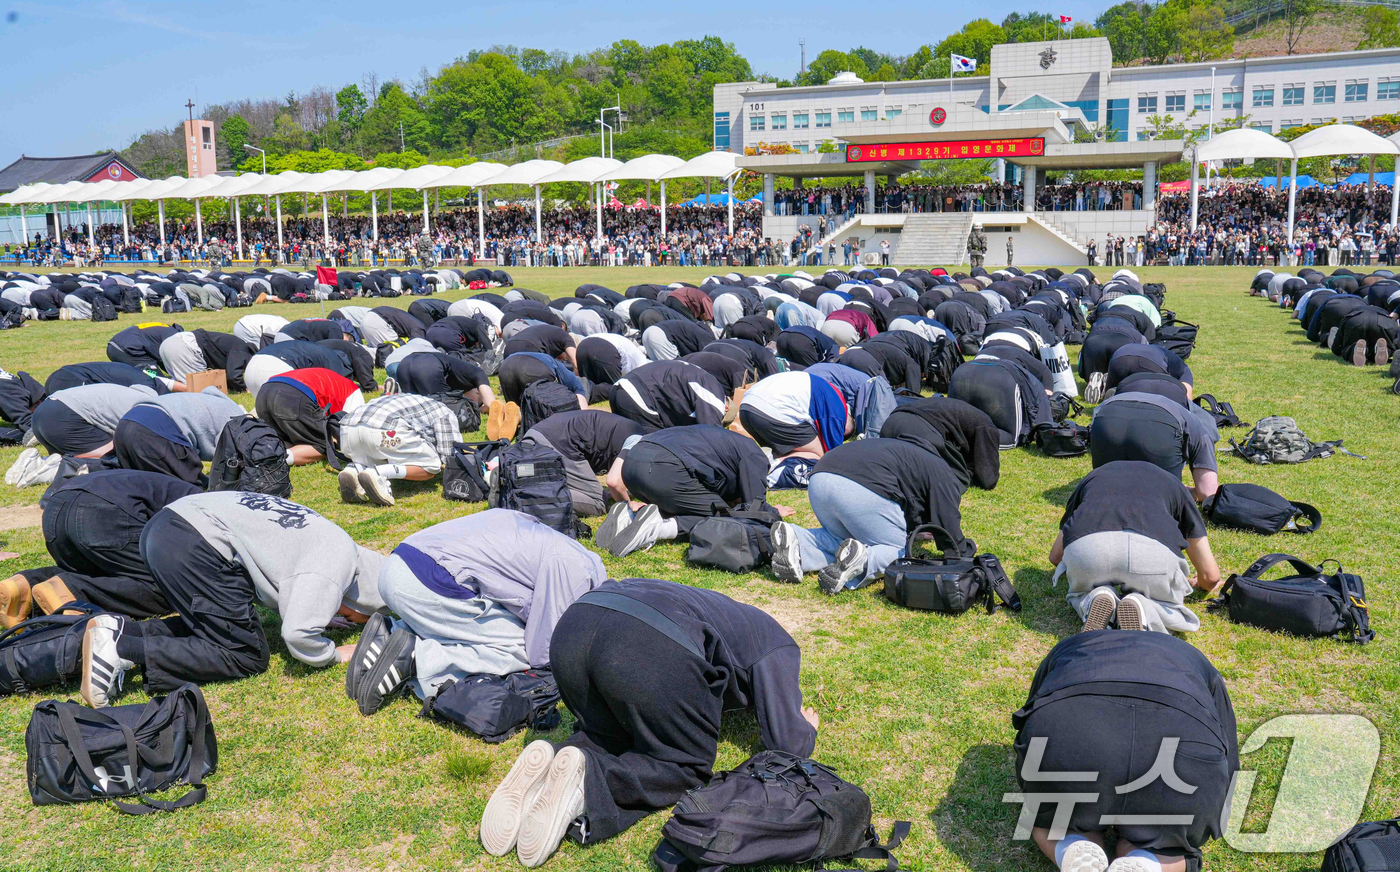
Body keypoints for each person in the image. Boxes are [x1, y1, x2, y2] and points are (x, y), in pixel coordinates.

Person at [478, 578, 818, 866]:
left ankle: (554, 765)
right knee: (685, 764)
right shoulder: (778, 644)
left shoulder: (715, 608)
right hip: (643, 645)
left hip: (575, 627)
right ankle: (587, 785)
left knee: (608, 734)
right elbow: (786, 745)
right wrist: (804, 730)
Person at [74, 491, 385, 707]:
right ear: (357, 599)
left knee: (213, 628)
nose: (345, 621)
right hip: (196, 543)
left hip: (170, 524)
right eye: (354, 618)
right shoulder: (335, 567)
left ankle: (116, 633)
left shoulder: (337, 542)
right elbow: (298, 635)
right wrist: (331, 654)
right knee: (244, 653)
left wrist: (320, 609)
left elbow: (282, 569)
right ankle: (124, 649)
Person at [344, 509, 607, 716]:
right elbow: (542, 652)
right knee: (519, 648)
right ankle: (416, 657)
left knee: (494, 623)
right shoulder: (578, 572)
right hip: (426, 584)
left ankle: (392, 633)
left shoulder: (544, 537)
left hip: (398, 565)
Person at [1015, 631, 1237, 872]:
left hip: (1071, 734)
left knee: (1049, 823)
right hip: (1182, 748)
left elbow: (1031, 714)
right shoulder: (1197, 659)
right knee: (1168, 846)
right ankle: (1148, 860)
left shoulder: (1067, 645)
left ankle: (1071, 844)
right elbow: (1230, 758)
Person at [0, 469, 202, 626]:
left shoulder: (186, 491)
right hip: (103, 514)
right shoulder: (207, 507)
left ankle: (25, 586)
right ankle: (77, 593)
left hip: (56, 508)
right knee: (170, 586)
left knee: (98, 571)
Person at [770, 434, 966, 594]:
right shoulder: (943, 471)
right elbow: (947, 522)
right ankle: (863, 560)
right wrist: (962, 551)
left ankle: (800, 541)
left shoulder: (902, 450)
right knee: (896, 549)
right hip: (859, 489)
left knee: (840, 538)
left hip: (820, 478)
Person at [1049, 460, 1221, 634]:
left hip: (1088, 550)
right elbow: (1210, 576)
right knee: (1170, 607)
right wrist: (1202, 584)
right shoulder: (1174, 483)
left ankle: (1093, 598)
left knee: (1079, 595)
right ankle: (1145, 609)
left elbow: (1056, 556)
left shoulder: (1092, 477)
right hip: (1150, 555)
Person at [599, 424, 780, 558]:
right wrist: (773, 512)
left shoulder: (723, 442)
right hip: (663, 468)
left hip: (633, 464)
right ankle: (656, 528)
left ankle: (629, 518)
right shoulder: (756, 456)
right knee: (722, 518)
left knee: (689, 505)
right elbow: (754, 510)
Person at [1089, 384, 1217, 502]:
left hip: (1106, 417)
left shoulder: (1186, 417)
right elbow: (1207, 493)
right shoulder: (1198, 428)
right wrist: (1186, 491)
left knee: (1106, 486)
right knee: (1162, 495)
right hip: (1160, 427)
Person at [335, 393, 461, 506]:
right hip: (383, 430)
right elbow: (450, 453)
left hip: (347, 428)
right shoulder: (445, 413)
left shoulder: (415, 400)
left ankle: (353, 470)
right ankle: (379, 474)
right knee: (432, 466)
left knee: (376, 453)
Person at [112, 387, 248, 485]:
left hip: (126, 422)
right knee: (188, 494)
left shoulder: (216, 403)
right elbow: (227, 461)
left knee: (142, 486)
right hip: (157, 429)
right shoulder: (238, 421)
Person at [521, 410, 644, 518]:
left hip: (538, 432)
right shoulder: (638, 440)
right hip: (556, 443)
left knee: (596, 492)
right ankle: (529, 498)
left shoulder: (630, 430)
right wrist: (627, 505)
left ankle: (529, 486)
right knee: (598, 503)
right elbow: (614, 482)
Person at [253, 367, 366, 465]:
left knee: (284, 438)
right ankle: (273, 459)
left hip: (264, 392)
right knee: (325, 445)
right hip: (293, 395)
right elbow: (352, 433)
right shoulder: (354, 393)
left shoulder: (339, 383)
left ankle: (262, 454)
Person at [737, 370, 848, 459]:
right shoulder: (838, 409)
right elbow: (832, 455)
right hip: (773, 409)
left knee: (782, 451)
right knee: (818, 455)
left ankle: (764, 459)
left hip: (746, 406)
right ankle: (769, 464)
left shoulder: (825, 389)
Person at [30, 382, 159, 458]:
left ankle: (41, 463)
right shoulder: (151, 409)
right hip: (66, 415)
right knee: (115, 458)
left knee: (61, 460)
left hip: (44, 411)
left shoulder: (132, 395)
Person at [609, 360, 727, 432]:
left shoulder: (699, 378)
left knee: (627, 441)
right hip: (638, 394)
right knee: (657, 449)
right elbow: (712, 434)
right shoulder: (714, 396)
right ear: (725, 408)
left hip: (621, 387)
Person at [390, 351, 495, 408]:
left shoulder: (459, 378)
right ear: (477, 391)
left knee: (414, 409)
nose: (473, 402)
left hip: (404, 364)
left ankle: (393, 395)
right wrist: (484, 407)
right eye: (477, 401)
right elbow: (492, 405)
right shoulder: (477, 373)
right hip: (427, 365)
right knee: (443, 410)